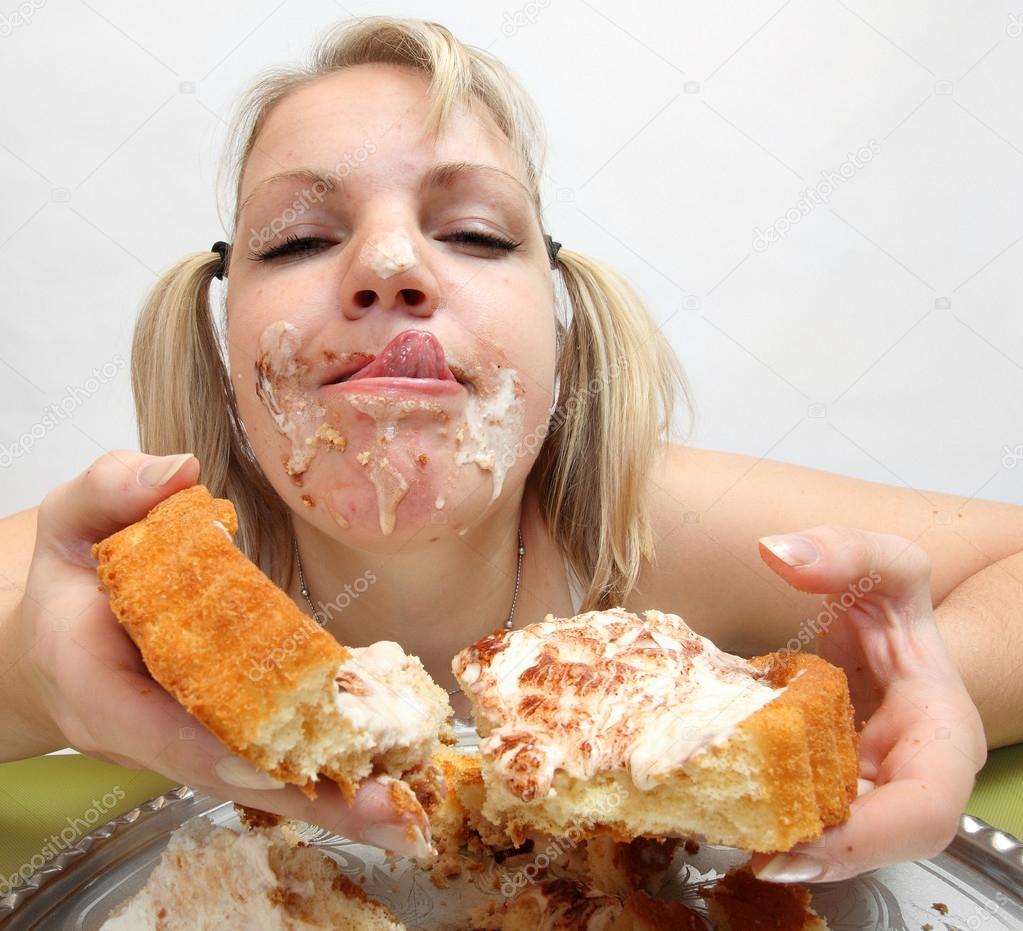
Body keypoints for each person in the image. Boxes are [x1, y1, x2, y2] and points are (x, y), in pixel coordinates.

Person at [0, 16, 1016, 883]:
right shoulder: (123, 574)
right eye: (299, 239)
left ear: (564, 333)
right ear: (220, 347)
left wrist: (926, 677)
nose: (390, 264)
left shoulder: (647, 524)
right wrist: (30, 677)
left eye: (478, 234)